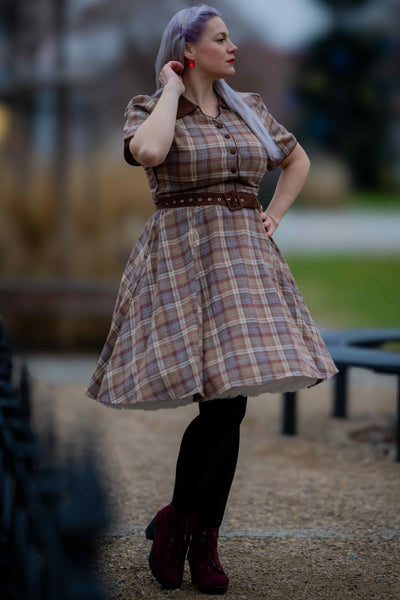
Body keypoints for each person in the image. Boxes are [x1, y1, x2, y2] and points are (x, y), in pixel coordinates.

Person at [85, 4, 339, 595]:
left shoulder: (250, 108)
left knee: (229, 404)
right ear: (188, 48)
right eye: (222, 39)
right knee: (216, 402)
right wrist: (172, 87)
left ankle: (193, 532)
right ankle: (184, 529)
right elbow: (149, 154)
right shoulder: (149, 109)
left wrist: (273, 214)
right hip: (182, 261)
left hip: (244, 260)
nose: (234, 47)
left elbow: (296, 158)